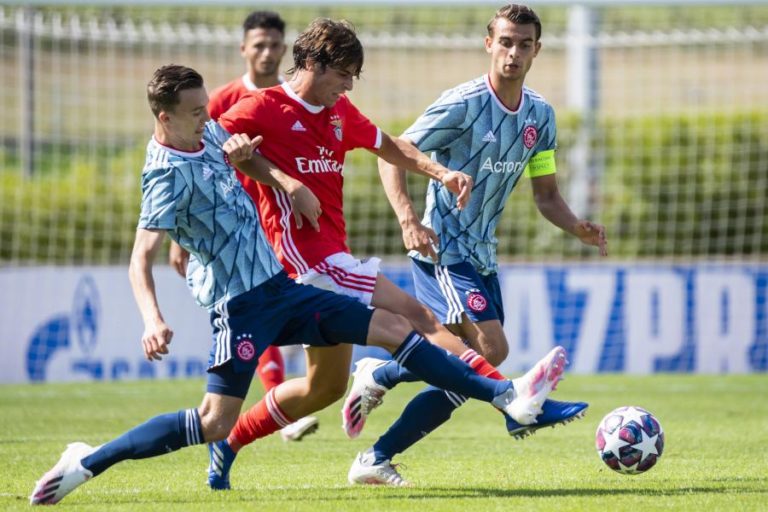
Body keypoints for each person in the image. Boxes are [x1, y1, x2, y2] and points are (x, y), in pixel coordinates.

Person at [29, 64, 566, 505]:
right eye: (195, 114)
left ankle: (507, 396)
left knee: (393, 326)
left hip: (282, 289)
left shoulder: (208, 132)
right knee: (214, 421)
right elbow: (138, 259)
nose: (207, 120)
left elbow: (243, 156)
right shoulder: (166, 176)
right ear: (164, 118)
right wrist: (153, 319)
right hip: (238, 307)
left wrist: (281, 178)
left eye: (205, 110)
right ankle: (87, 461)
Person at [205, 17, 583, 490]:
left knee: (324, 388)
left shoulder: (339, 113)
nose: (347, 87)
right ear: (315, 64)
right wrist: (275, 177)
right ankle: (510, 396)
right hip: (305, 260)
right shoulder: (263, 107)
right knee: (418, 317)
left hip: (328, 258)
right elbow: (205, 146)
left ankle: (228, 442)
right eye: (343, 75)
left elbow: (394, 148)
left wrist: (439, 172)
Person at [344, 4, 607, 485]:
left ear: (537, 50)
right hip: (442, 250)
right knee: (491, 347)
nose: (513, 52)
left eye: (523, 44)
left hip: (483, 253)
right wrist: (407, 220)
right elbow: (392, 153)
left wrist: (577, 227)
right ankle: (518, 407)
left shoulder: (540, 117)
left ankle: (377, 436)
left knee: (466, 366)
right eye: (505, 42)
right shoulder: (462, 104)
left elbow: (546, 195)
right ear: (489, 44)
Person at [166, 11, 318, 443]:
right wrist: (182, 237)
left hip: (289, 221)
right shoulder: (224, 99)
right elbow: (187, 158)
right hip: (236, 229)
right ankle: (277, 400)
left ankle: (292, 398)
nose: (268, 53)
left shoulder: (298, 99)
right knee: (260, 304)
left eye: (275, 45)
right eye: (259, 45)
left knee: (292, 308)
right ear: (244, 48)